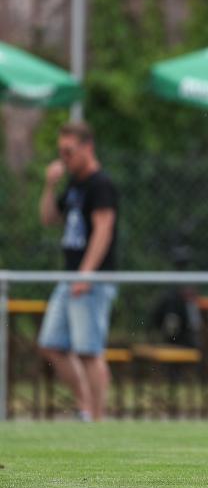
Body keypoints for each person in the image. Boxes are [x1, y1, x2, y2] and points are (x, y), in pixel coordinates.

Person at [37, 121, 119, 422]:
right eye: (61, 152)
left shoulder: (100, 184)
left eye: (69, 151)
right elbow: (48, 218)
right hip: (68, 277)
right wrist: (50, 185)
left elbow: (103, 229)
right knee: (52, 344)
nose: (64, 158)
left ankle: (97, 418)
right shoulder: (73, 184)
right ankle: (85, 407)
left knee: (88, 350)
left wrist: (86, 274)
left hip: (91, 279)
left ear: (87, 148)